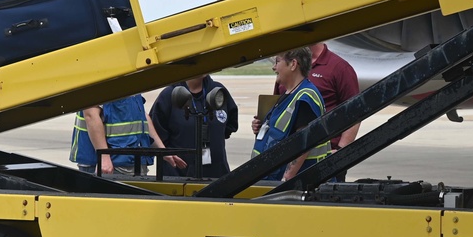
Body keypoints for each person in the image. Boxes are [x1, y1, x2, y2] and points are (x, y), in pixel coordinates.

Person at [253, 42, 360, 151]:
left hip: (325, 153)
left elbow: (355, 112)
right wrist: (262, 125)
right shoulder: (286, 71)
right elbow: (277, 111)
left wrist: (340, 151)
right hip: (286, 153)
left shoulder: (340, 68)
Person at [251, 47, 330, 182]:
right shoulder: (290, 94)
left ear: (293, 64)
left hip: (296, 182)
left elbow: (303, 142)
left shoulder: (305, 97)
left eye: (277, 61)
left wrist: (287, 178)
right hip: (269, 177)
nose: (274, 67)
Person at [149, 75, 238, 180]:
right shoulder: (170, 94)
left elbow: (230, 126)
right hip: (178, 175)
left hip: (216, 175)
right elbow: (154, 131)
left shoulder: (217, 92)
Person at [70, 94, 164, 177]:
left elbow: (141, 116)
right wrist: (104, 157)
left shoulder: (129, 81)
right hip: (108, 165)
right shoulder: (100, 77)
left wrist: (161, 149)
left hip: (131, 161)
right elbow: (91, 115)